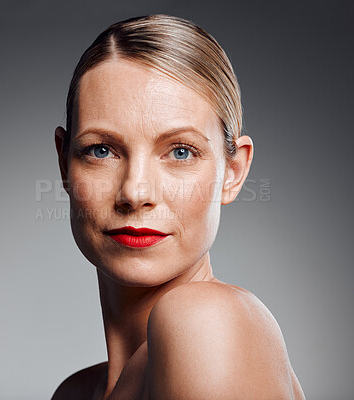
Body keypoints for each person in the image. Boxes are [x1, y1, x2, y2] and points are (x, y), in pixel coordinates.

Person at [52, 14, 305, 400]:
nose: (135, 193)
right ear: (64, 163)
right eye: (101, 150)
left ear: (232, 173)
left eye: (180, 152)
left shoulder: (206, 322)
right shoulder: (74, 392)